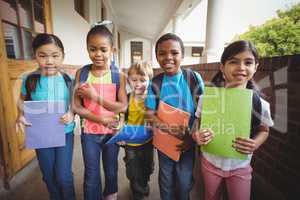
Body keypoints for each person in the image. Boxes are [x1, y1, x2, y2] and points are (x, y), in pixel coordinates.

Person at [192, 40, 274, 200]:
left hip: (240, 166)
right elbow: (197, 124)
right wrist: (197, 135)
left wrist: (256, 143)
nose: (241, 67)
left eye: (248, 62)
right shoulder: (207, 99)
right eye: (234, 62)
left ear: (255, 67)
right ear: (222, 67)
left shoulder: (260, 104)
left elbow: (264, 130)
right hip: (210, 163)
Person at [16, 33, 76, 200]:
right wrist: (20, 116)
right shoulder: (29, 79)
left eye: (55, 56)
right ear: (35, 55)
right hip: (41, 136)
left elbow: (75, 105)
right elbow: (22, 101)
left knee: (63, 176)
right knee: (49, 176)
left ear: (63, 56)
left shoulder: (68, 80)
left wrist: (72, 113)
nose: (49, 61)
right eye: (42, 56)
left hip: (65, 133)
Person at [145, 33, 205, 200]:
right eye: (162, 53)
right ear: (156, 56)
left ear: (182, 55)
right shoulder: (155, 83)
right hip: (165, 142)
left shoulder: (192, 78)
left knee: (184, 181)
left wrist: (191, 138)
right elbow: (150, 114)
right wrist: (172, 130)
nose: (168, 57)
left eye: (174, 53)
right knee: (166, 180)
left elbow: (203, 110)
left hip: (188, 142)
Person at [72, 21, 127, 200]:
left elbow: (123, 106)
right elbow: (76, 106)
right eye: (92, 49)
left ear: (112, 50)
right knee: (91, 173)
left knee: (111, 170)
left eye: (103, 49)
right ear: (87, 49)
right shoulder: (82, 73)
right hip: (89, 134)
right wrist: (101, 119)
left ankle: (110, 195)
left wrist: (95, 97)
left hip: (112, 134)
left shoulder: (118, 76)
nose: (98, 54)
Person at [121, 61, 154, 200]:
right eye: (134, 80)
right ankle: (137, 191)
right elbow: (122, 115)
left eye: (143, 80)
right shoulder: (128, 98)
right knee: (133, 169)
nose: (138, 83)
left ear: (149, 80)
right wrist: (121, 133)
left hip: (147, 141)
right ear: (128, 80)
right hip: (131, 142)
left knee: (147, 167)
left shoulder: (151, 98)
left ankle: (143, 184)